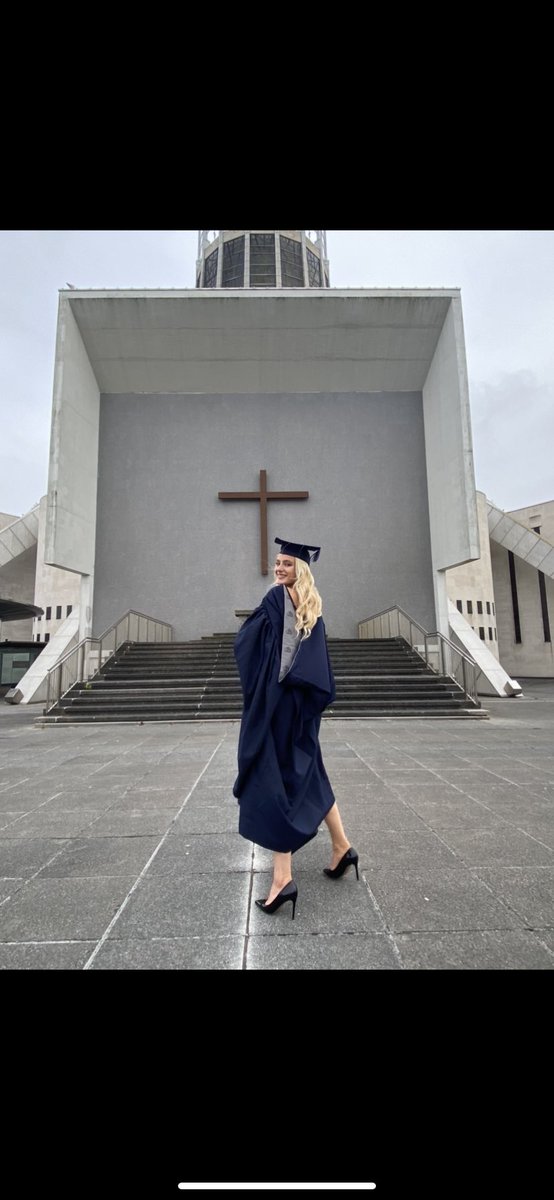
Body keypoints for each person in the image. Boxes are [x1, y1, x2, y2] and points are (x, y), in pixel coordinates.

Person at [233, 536, 359, 920]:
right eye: (277, 563)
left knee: (278, 781)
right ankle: (342, 847)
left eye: (287, 564)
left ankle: (282, 879)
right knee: (310, 774)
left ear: (299, 569)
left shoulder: (275, 599)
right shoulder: (312, 606)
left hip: (278, 706)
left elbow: (247, 644)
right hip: (301, 708)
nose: (279, 569)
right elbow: (318, 665)